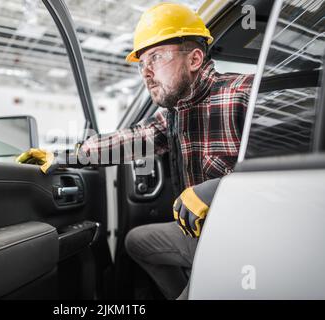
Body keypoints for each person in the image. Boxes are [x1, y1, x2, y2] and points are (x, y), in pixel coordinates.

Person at [17, 3, 254, 299]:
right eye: (142, 63)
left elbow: (291, 170)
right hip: (200, 235)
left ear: (194, 59)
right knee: (136, 242)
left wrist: (216, 190)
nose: (146, 72)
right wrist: (67, 156)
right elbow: (131, 139)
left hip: (244, 243)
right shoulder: (174, 113)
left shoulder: (245, 94)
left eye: (156, 57)